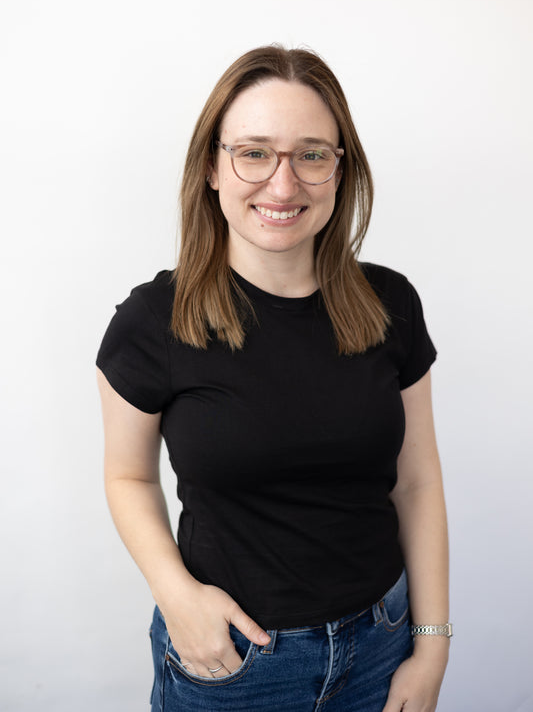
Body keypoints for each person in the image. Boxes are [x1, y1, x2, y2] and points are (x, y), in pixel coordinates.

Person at [96, 45, 451, 712]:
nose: (282, 185)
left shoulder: (390, 304)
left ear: (341, 169)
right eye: (254, 152)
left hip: (381, 644)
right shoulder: (152, 320)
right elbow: (128, 476)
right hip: (231, 661)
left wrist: (430, 643)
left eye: (311, 154)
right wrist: (179, 598)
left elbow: (417, 480)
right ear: (211, 164)